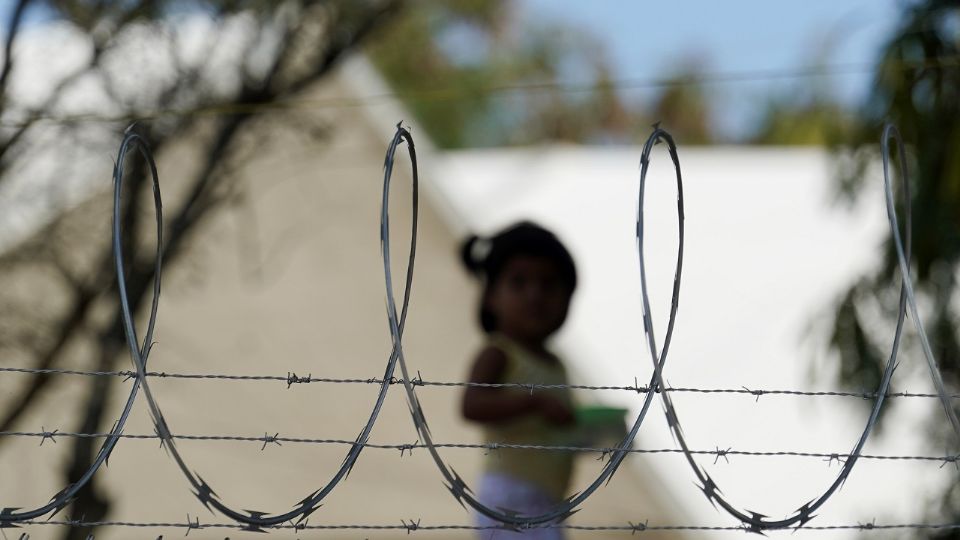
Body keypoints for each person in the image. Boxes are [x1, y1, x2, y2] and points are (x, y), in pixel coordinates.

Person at [460, 221, 578, 540]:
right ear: (490, 297)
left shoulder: (557, 364)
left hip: (549, 500)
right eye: (518, 282)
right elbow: (472, 404)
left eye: (549, 284)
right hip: (511, 497)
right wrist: (534, 403)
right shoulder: (499, 353)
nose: (535, 295)